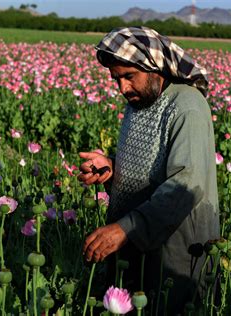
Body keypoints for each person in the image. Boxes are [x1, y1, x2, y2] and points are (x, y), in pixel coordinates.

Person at [78, 26, 219, 314]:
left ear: (154, 67)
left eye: (129, 77)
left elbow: (185, 184)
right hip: (137, 238)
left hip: (175, 248)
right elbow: (152, 163)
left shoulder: (187, 107)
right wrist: (114, 169)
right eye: (116, 79)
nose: (122, 88)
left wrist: (125, 229)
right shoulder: (141, 101)